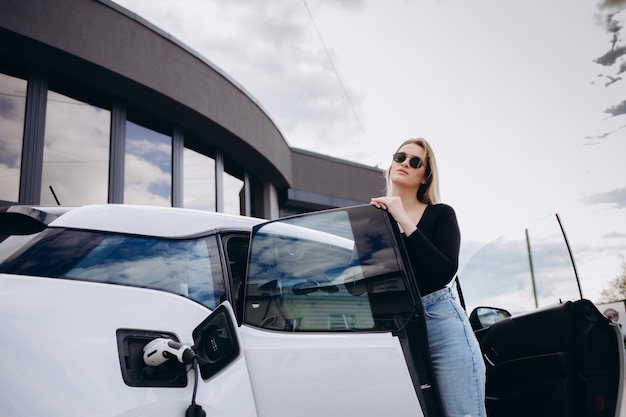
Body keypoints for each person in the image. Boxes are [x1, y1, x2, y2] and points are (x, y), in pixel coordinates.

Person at [371, 137, 486, 417]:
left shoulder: (440, 214)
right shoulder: (374, 222)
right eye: (400, 157)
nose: (405, 164)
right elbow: (356, 285)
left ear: (425, 176)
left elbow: (443, 271)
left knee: (463, 413)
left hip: (440, 319)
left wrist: (404, 220)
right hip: (396, 326)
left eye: (415, 162)